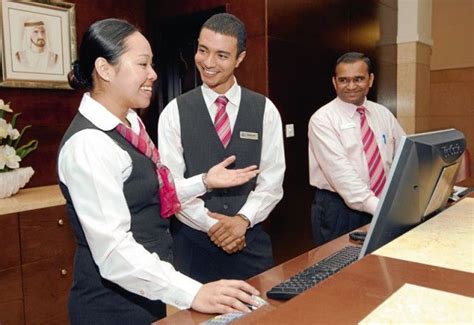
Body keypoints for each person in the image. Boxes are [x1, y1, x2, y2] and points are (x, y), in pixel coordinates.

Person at [57, 18, 263, 324]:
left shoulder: (130, 122)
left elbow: (148, 195)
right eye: (143, 64)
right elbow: (114, 253)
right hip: (109, 307)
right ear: (104, 69)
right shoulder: (89, 144)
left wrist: (204, 181)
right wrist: (193, 292)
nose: (153, 74)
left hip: (143, 295)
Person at [158, 13, 285, 283]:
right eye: (203, 50)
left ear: (240, 58)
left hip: (250, 242)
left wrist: (241, 221)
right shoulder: (173, 113)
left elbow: (272, 182)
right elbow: (172, 188)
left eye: (222, 55)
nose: (208, 63)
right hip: (193, 248)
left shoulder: (265, 111)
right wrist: (215, 227)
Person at [308, 52, 405, 246]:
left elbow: (404, 155)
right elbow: (343, 177)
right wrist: (385, 210)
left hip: (380, 201)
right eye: (343, 80)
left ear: (370, 79)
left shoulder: (383, 114)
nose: (351, 86)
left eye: (358, 79)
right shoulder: (322, 120)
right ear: (334, 82)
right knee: (338, 270)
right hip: (339, 210)